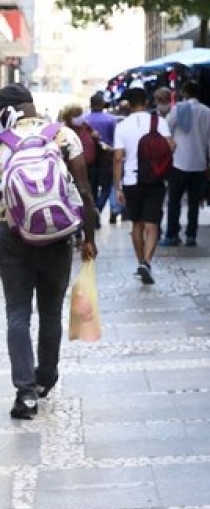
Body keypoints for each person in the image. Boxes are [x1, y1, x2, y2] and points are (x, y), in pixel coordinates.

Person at [0, 84, 97, 419]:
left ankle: (25, 394)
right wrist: (89, 236)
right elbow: (83, 189)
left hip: (11, 238)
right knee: (51, 312)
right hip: (58, 235)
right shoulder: (62, 134)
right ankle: (46, 377)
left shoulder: (2, 143)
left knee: (17, 314)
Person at [114, 87, 174, 285]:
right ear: (146, 102)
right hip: (154, 179)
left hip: (131, 181)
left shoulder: (122, 126)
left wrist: (117, 187)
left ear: (129, 104)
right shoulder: (159, 122)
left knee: (137, 224)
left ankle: (141, 261)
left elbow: (117, 158)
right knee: (152, 224)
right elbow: (171, 145)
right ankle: (147, 262)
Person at [160, 80, 210, 247]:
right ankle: (191, 235)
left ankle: (172, 234)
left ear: (184, 92)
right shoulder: (208, 113)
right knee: (194, 202)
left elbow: (166, 130)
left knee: (174, 201)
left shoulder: (178, 109)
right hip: (199, 164)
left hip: (178, 162)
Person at [82, 93, 121, 224]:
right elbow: (116, 139)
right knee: (107, 186)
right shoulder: (111, 120)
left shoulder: (84, 120)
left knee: (91, 187)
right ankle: (98, 208)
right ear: (103, 104)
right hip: (107, 157)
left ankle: (94, 213)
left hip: (89, 159)